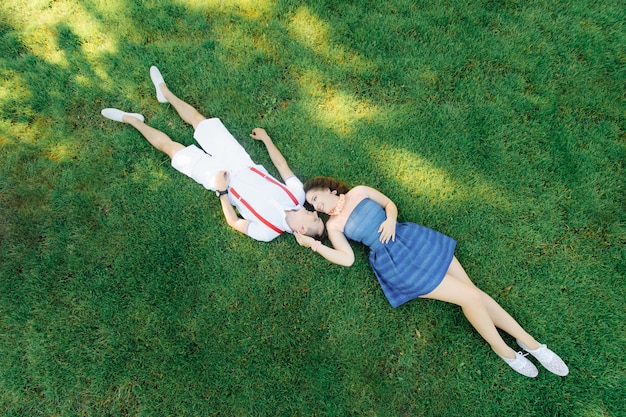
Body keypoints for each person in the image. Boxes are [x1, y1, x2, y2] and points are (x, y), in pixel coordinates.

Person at [295, 176, 569, 378]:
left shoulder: (359, 192)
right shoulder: (334, 226)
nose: (317, 207)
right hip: (398, 264)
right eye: (313, 206)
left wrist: (390, 219)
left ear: (329, 189)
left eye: (316, 199)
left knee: (474, 294)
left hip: (412, 238)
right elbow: (348, 258)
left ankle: (527, 341)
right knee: (471, 296)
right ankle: (507, 350)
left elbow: (389, 203)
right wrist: (316, 246)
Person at [101, 66, 324, 242]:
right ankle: (164, 92)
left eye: (314, 219)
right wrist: (266, 139)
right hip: (240, 161)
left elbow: (235, 222)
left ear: (302, 229)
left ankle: (130, 120)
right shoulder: (298, 197)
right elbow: (282, 167)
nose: (315, 213)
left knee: (172, 149)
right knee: (199, 120)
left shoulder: (269, 231)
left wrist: (222, 191)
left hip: (220, 180)